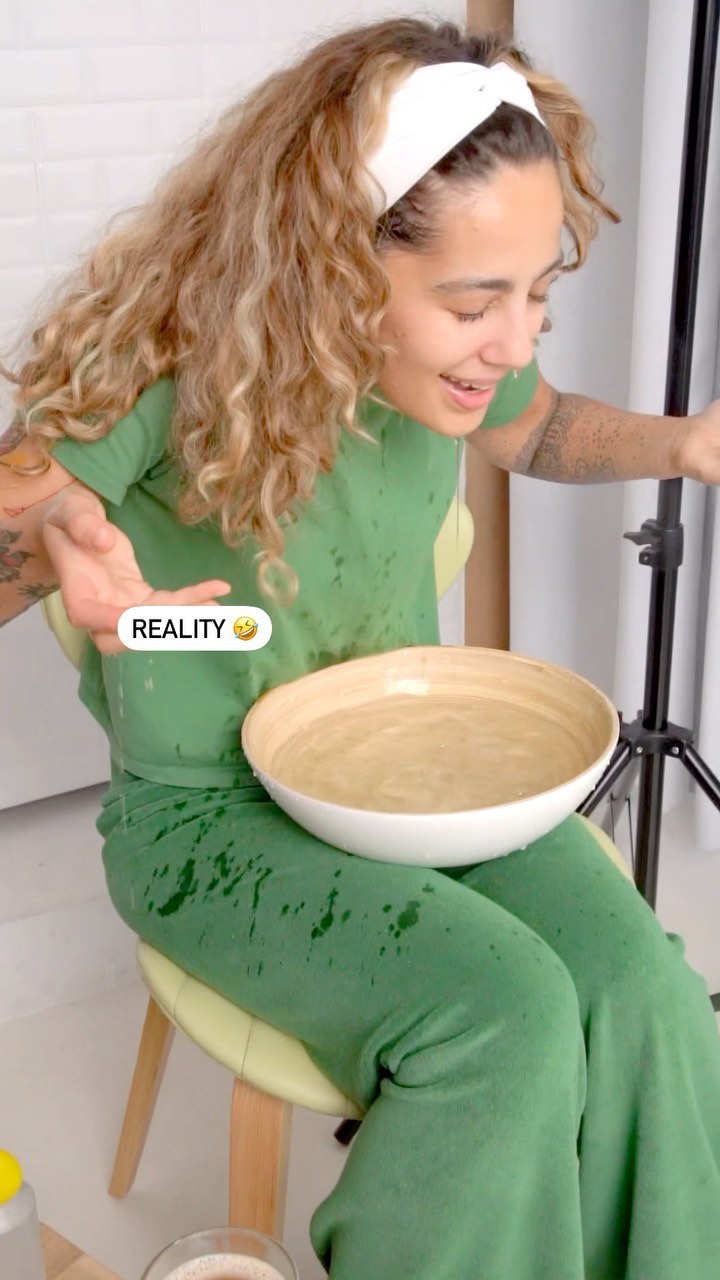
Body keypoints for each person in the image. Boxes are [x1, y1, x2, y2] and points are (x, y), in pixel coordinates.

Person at [2, 16, 719, 1280]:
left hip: (413, 771)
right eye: (474, 301)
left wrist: (685, 444)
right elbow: (25, 504)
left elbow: (537, 426)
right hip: (209, 820)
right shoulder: (162, 360)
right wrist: (57, 532)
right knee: (507, 1012)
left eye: (536, 295)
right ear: (335, 264)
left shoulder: (454, 371)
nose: (514, 342)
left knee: (645, 993)